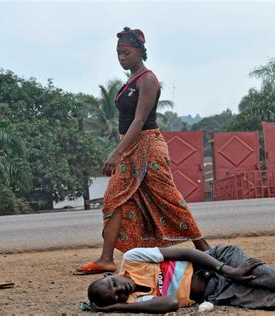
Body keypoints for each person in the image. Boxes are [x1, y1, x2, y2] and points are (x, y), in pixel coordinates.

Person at [75, 27, 209, 274]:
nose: (121, 57)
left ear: (139, 52)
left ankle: (205, 250)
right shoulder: (131, 80)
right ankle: (106, 258)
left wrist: (115, 153)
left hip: (147, 147)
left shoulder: (147, 79)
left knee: (168, 199)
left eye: (125, 52)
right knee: (117, 199)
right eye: (118, 53)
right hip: (132, 146)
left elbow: (139, 120)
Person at [84, 245, 275, 314]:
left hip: (220, 263)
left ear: (112, 274)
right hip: (218, 292)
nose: (117, 287)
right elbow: (169, 305)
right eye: (113, 294)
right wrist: (116, 310)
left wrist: (226, 269)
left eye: (111, 282)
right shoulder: (136, 302)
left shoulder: (133, 259)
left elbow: (186, 253)